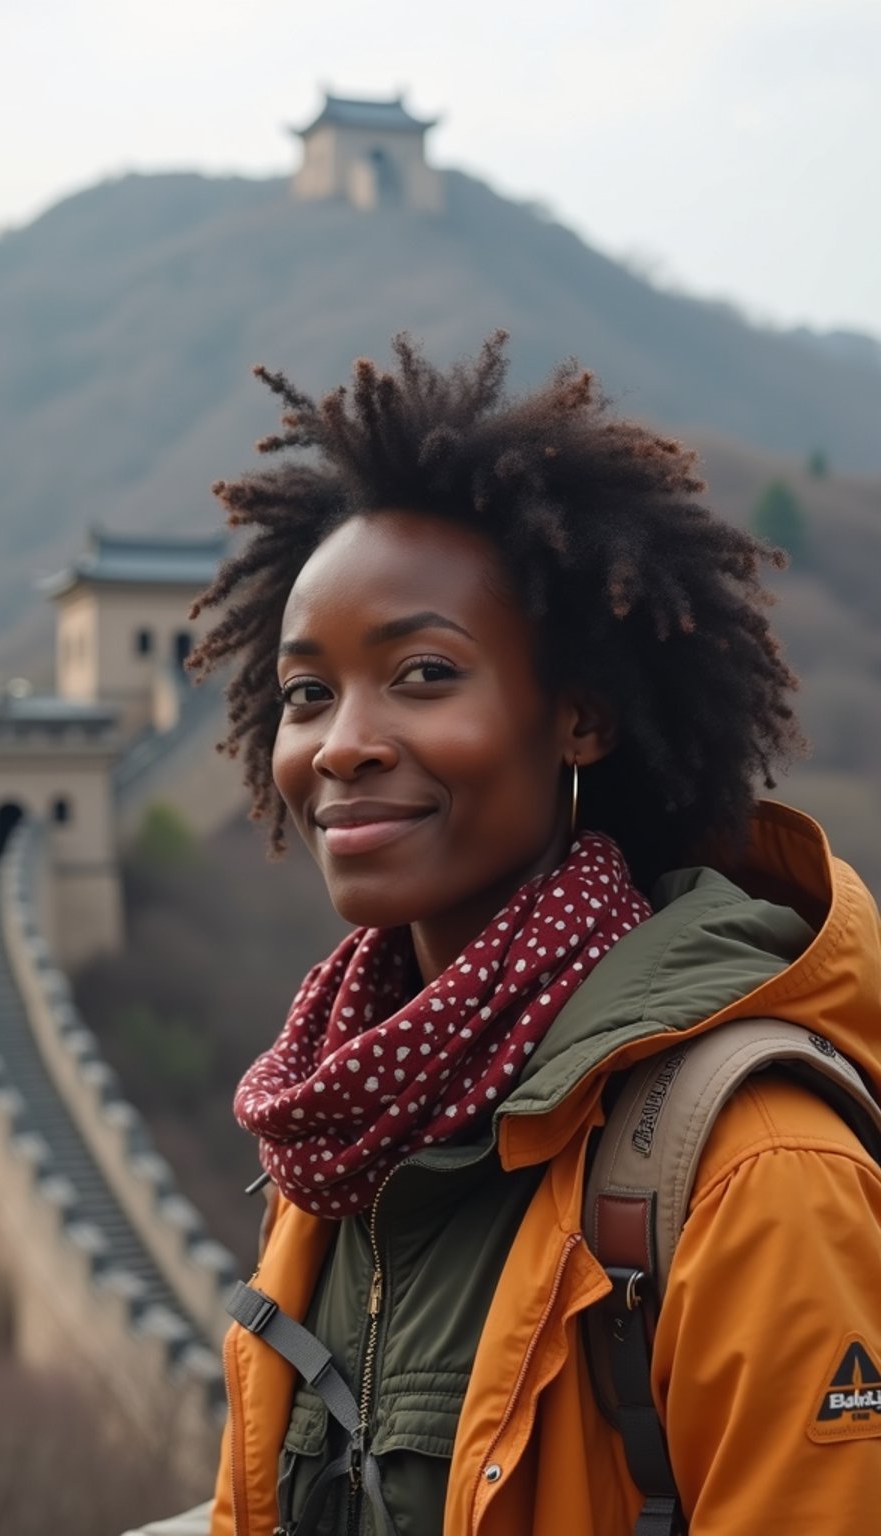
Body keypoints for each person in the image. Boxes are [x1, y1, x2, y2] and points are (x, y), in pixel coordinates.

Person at [178, 333, 881, 1535]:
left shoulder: (753, 1174)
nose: (341, 742)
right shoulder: (339, 1136)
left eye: (422, 674)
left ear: (581, 718)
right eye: (308, 693)